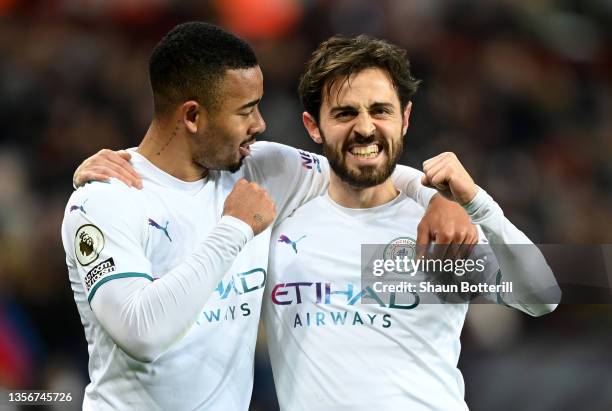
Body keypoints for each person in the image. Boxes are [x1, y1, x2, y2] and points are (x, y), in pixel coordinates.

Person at [63, 23, 476, 410]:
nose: (260, 124)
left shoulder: (260, 168)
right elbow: (142, 333)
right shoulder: (105, 202)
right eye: (245, 111)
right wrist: (235, 229)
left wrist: (441, 195)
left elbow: (361, 165)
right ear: (192, 116)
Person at [262, 35, 560, 410]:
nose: (366, 128)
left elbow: (542, 298)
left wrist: (478, 205)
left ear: (404, 119)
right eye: (345, 113)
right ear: (313, 126)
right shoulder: (281, 226)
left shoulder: (443, 228)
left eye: (380, 110)